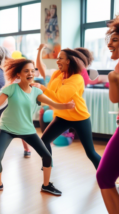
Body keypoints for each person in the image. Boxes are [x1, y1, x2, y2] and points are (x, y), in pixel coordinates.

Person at [0, 58, 74, 196]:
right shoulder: (12, 88)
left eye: (32, 71)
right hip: (8, 129)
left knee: (47, 156)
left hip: (27, 130)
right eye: (26, 71)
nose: (30, 73)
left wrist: (66, 106)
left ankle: (46, 185)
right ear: (18, 74)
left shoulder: (36, 92)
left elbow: (54, 104)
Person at [31, 48, 101, 170]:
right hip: (62, 116)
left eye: (60, 58)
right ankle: (48, 165)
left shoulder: (77, 79)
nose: (57, 61)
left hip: (79, 117)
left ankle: (105, 175)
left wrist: (42, 88)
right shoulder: (57, 74)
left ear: (68, 61)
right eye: (57, 58)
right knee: (44, 141)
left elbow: (60, 97)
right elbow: (51, 93)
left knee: (90, 152)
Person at [96, 15, 119, 214]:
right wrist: (112, 79)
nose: (109, 43)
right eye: (109, 39)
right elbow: (114, 99)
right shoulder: (117, 68)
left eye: (115, 39)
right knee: (104, 176)